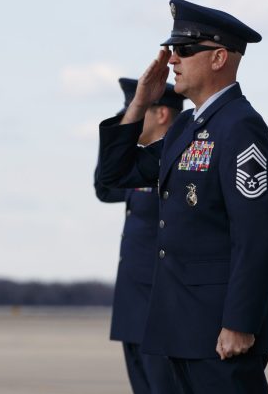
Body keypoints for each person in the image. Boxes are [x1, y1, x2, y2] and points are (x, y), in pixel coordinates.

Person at [98, 0, 268, 394]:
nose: (172, 60)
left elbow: (258, 235)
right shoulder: (188, 126)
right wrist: (139, 104)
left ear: (219, 57)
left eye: (185, 50)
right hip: (183, 324)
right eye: (172, 50)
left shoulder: (240, 126)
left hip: (220, 328)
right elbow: (115, 174)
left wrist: (239, 322)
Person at [94, 78, 184, 394]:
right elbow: (105, 188)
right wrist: (119, 137)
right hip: (134, 305)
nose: (127, 122)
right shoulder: (139, 165)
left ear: (161, 114)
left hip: (161, 306)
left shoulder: (180, 160)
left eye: (136, 112)